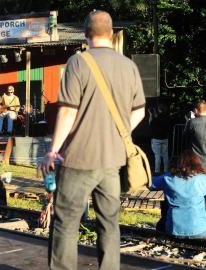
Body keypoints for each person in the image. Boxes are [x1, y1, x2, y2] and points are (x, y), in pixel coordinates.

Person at [39, 10, 146, 269]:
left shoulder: (78, 62)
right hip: (112, 162)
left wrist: (53, 151)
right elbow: (140, 110)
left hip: (78, 159)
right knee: (109, 224)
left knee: (66, 223)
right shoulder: (129, 66)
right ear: (111, 34)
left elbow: (67, 111)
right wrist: (120, 136)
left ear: (86, 34)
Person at [151, 150, 206, 238]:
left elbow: (149, 182)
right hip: (200, 231)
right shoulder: (202, 179)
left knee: (165, 200)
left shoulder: (167, 178)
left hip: (173, 231)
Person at [148, 103, 171, 174]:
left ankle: (157, 171)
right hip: (165, 138)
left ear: (159, 109)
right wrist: (155, 113)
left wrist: (151, 114)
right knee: (165, 155)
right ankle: (166, 170)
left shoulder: (156, 118)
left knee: (157, 155)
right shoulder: (168, 117)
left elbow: (150, 123)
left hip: (156, 139)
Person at [184, 100, 206, 168]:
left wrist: (188, 121)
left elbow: (185, 136)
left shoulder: (192, 123)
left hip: (196, 161)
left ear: (196, 110)